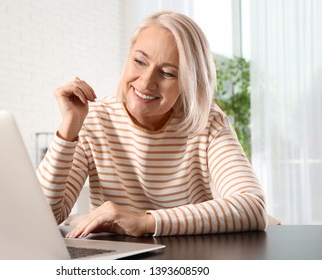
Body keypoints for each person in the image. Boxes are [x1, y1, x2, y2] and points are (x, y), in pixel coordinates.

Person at [37, 10, 267, 238]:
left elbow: (252, 206)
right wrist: (69, 126)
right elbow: (42, 217)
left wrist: (146, 222)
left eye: (167, 73)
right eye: (139, 61)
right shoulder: (94, 119)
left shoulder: (207, 122)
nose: (146, 82)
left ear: (189, 82)